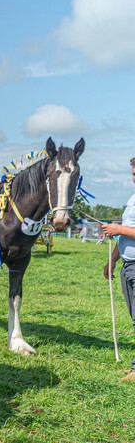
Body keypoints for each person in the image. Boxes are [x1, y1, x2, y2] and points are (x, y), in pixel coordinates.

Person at [102, 156, 135, 383]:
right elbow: (126, 232)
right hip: (128, 265)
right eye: (133, 172)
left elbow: (125, 230)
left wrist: (118, 228)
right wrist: (113, 259)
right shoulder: (132, 199)